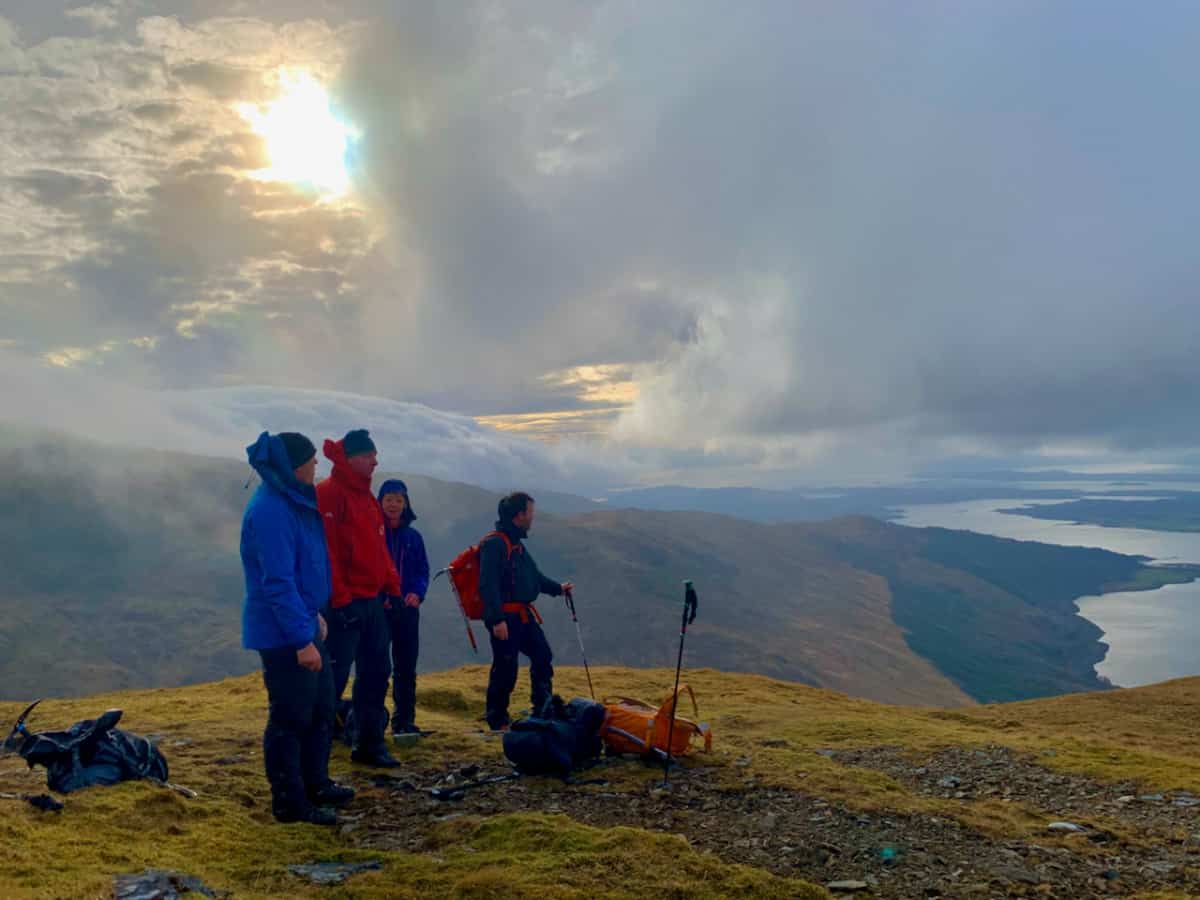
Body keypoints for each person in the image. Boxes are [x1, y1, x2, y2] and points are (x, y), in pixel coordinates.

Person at [241, 431, 354, 825]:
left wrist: (313, 615)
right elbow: (277, 582)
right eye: (311, 461)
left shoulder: (291, 500)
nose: (316, 467)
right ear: (294, 466)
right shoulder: (272, 510)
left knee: (322, 707)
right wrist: (301, 638)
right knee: (291, 716)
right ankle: (290, 803)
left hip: (304, 622)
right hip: (283, 634)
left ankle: (316, 783)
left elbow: (300, 572)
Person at [316, 429, 402, 768]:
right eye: (369, 456)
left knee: (377, 673)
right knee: (331, 683)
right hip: (343, 605)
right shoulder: (329, 494)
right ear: (352, 458)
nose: (375, 461)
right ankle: (316, 760)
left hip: (372, 602)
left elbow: (379, 550)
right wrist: (340, 600)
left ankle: (368, 744)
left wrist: (392, 589)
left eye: (375, 455)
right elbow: (328, 552)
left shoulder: (367, 498)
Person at [481, 492, 573, 731]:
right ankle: (497, 719)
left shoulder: (516, 545)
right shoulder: (495, 545)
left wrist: (559, 589)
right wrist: (496, 620)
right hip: (505, 618)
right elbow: (487, 585)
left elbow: (534, 578)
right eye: (530, 513)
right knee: (505, 667)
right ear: (519, 515)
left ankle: (542, 709)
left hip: (522, 615)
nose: (533, 518)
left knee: (542, 655)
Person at [378, 480, 430, 737]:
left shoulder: (413, 537)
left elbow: (422, 571)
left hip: (408, 610)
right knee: (376, 667)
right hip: (380, 610)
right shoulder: (372, 533)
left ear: (406, 504)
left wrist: (417, 594)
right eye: (388, 498)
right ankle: (373, 722)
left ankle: (404, 722)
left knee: (406, 667)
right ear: (380, 502)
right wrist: (380, 597)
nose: (393, 504)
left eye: (398, 499)